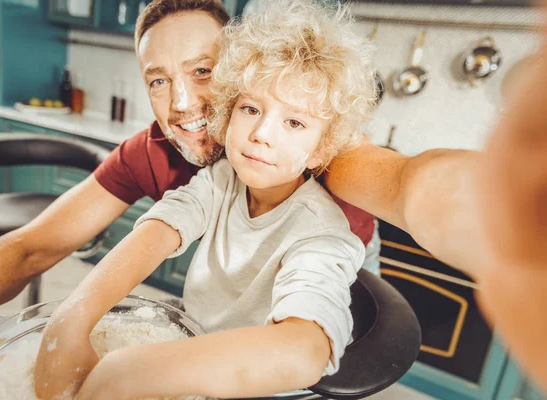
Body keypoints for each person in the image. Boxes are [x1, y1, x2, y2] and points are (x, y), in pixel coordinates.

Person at [34, 3, 374, 397]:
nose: (262, 133)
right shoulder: (222, 179)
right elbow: (164, 225)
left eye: (294, 122)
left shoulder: (321, 234)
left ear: (321, 151)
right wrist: (73, 317)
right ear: (226, 113)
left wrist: (127, 373)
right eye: (250, 108)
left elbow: (307, 350)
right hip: (193, 349)